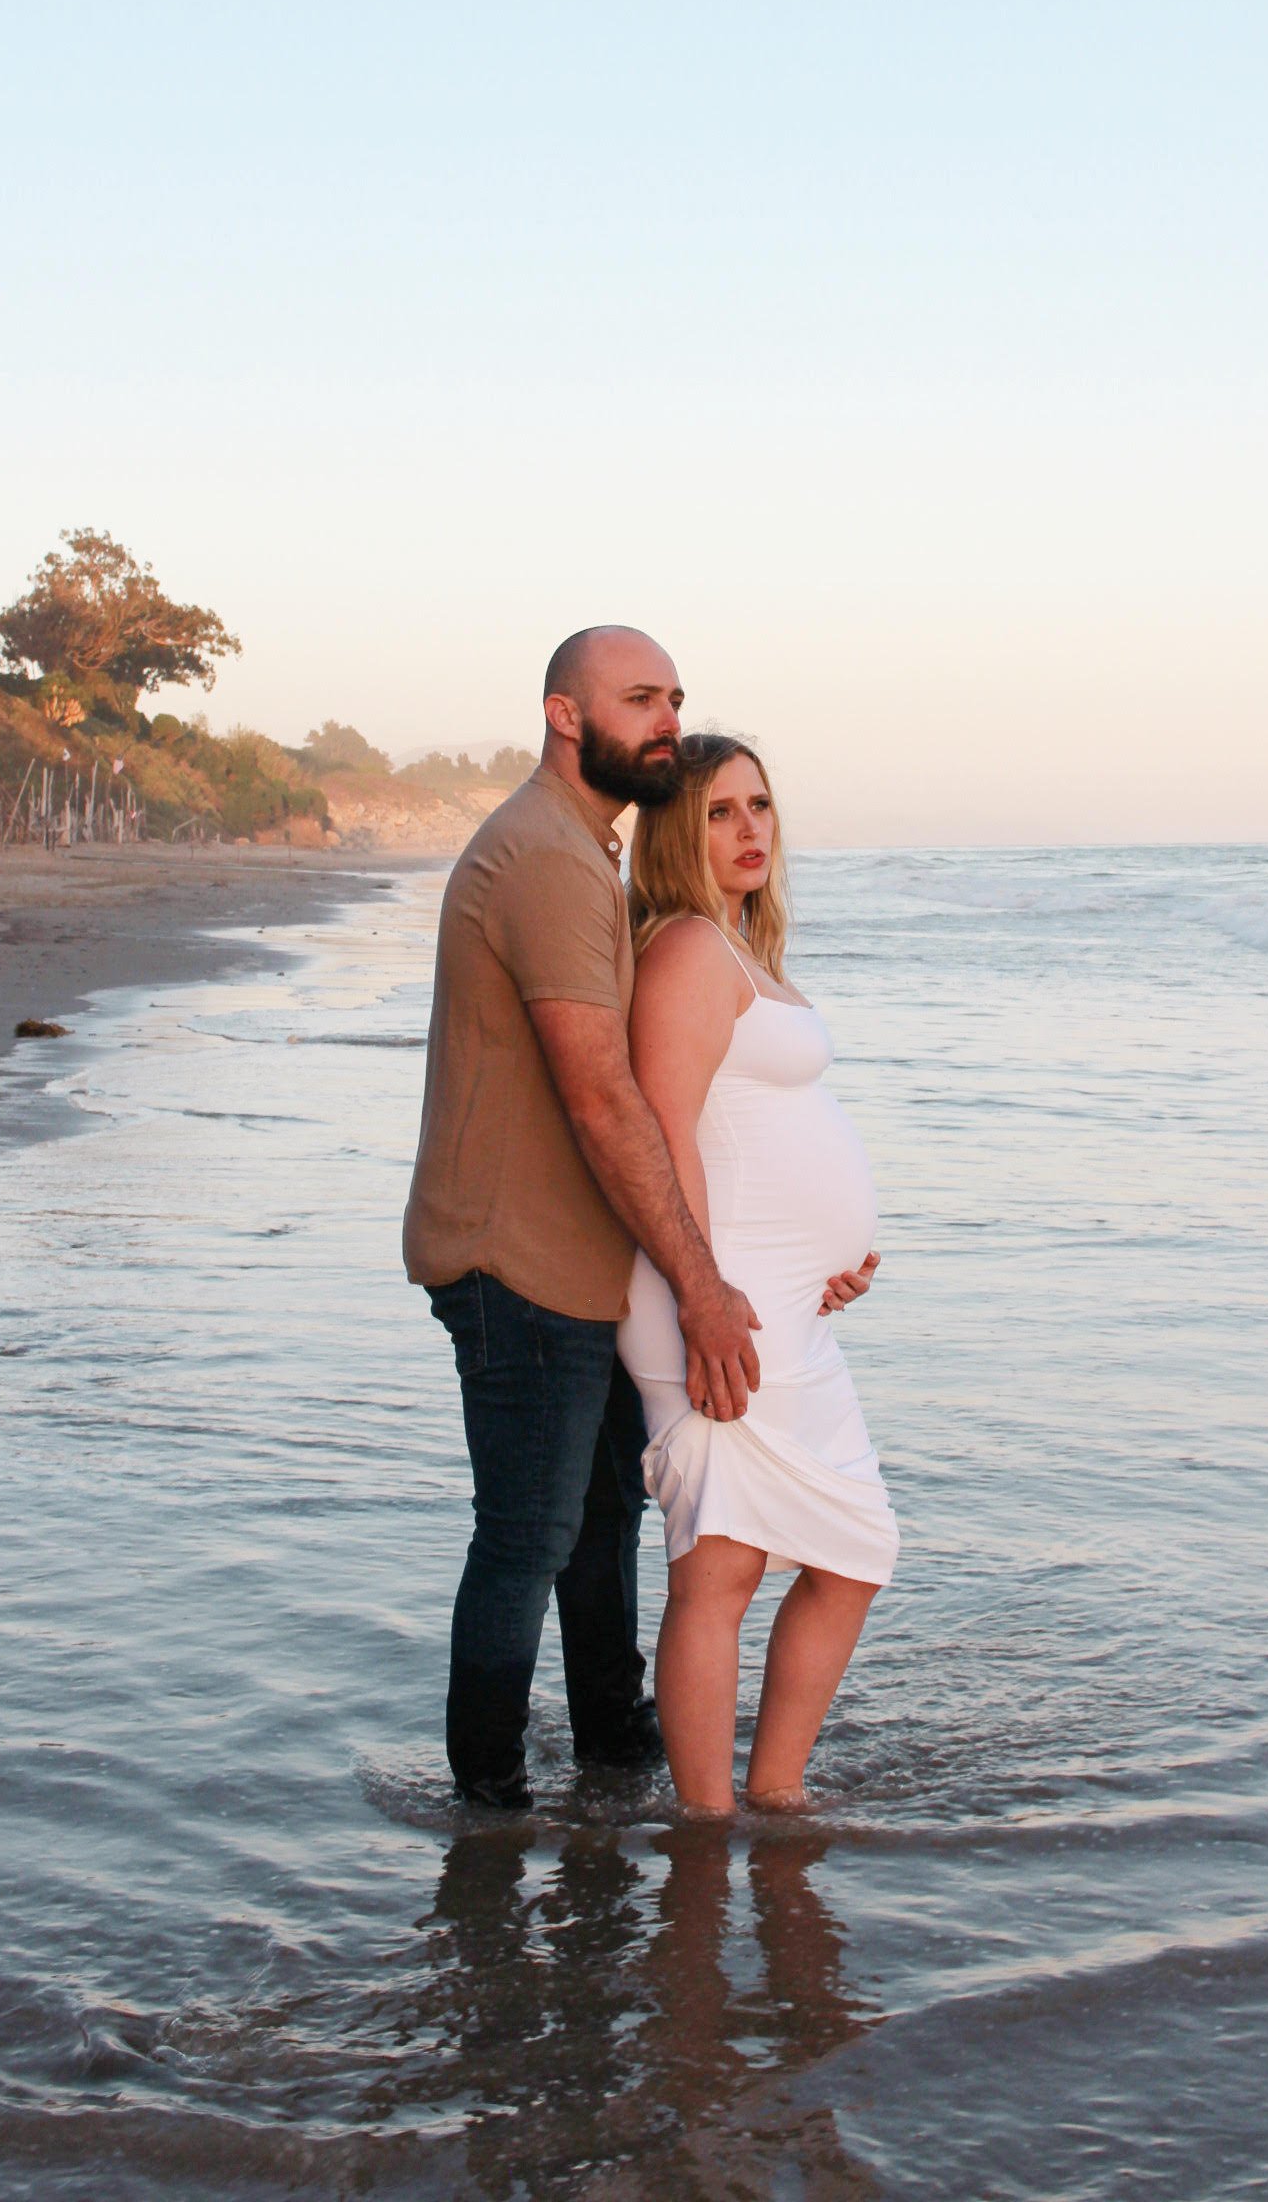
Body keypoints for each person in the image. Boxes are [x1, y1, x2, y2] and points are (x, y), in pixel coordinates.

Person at [403, 629, 762, 1809]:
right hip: (516, 1262)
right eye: (640, 699)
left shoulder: (578, 853)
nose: (666, 720)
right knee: (528, 1540)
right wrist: (702, 1287)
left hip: (577, 1267)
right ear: (565, 715)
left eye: (675, 701)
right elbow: (602, 1097)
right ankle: (489, 1813)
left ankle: (614, 1752)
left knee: (597, 1528)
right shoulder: (548, 859)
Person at [618, 733, 898, 1813]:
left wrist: (836, 1252)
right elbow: (664, 1134)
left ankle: (772, 1794)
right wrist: (706, 1299)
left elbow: (766, 1129)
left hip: (776, 1300)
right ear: (679, 834)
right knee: (722, 1566)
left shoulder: (742, 952)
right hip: (712, 1297)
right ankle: (710, 1816)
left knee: (852, 1552)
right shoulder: (689, 949)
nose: (750, 831)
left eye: (761, 806)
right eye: (722, 812)